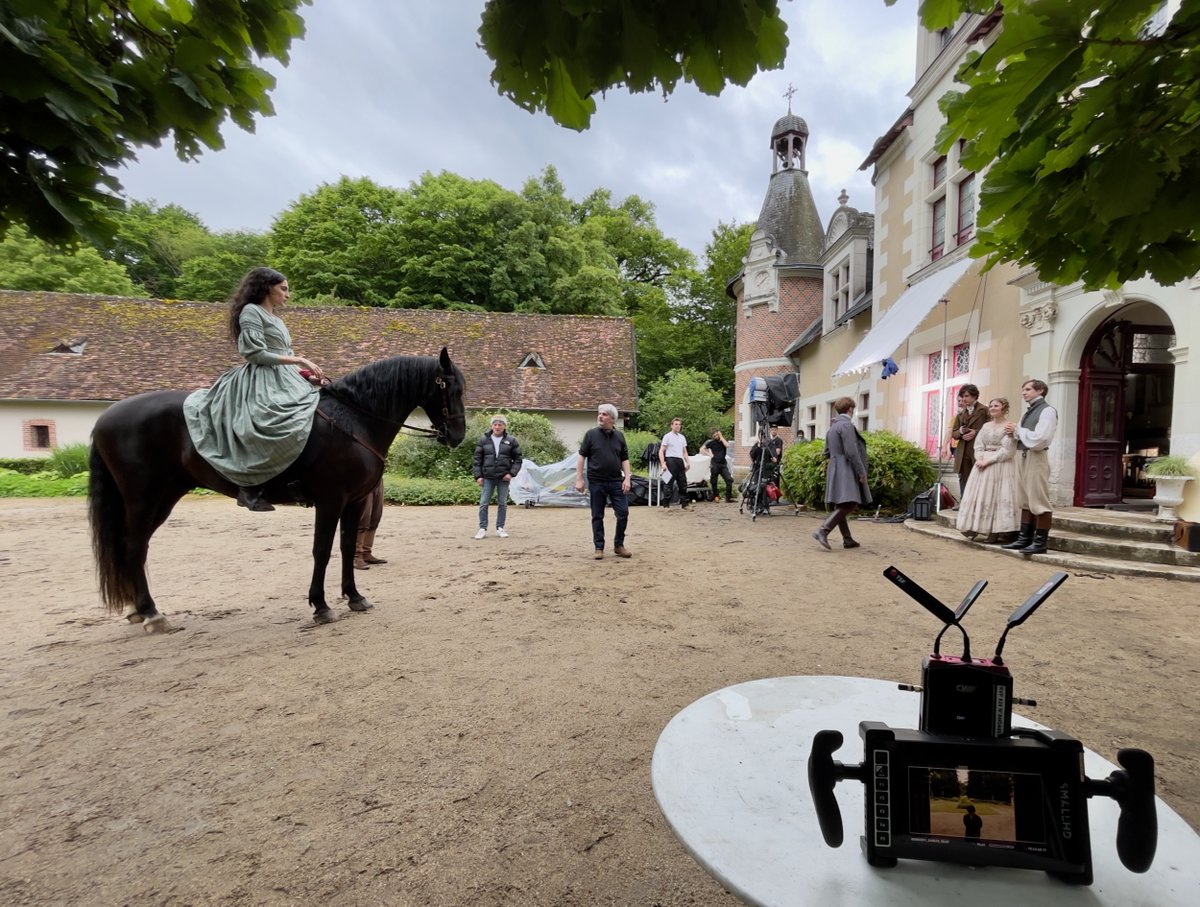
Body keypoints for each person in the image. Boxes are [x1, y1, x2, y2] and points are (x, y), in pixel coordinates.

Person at [183, 267, 324, 512]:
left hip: (285, 378)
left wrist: (306, 376)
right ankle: (248, 487)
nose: (288, 295)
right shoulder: (251, 312)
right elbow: (254, 353)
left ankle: (299, 479)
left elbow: (284, 355)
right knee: (266, 421)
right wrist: (300, 360)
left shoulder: (278, 320)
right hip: (259, 380)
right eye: (284, 289)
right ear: (267, 287)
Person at [1002, 379, 1059, 554]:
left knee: (1039, 499)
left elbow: (1041, 438)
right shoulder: (1028, 412)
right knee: (1025, 499)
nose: (1023, 392)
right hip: (1022, 455)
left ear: (1040, 390)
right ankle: (1024, 538)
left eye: (1027, 389)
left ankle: (1040, 542)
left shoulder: (1047, 411)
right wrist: (1013, 432)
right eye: (1023, 389)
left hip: (1036, 456)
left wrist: (1018, 431)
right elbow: (1021, 434)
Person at [955, 398, 1020, 543]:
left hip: (999, 464)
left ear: (1004, 408)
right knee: (980, 496)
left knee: (996, 496)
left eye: (996, 405)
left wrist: (988, 461)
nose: (992, 408)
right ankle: (974, 527)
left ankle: (994, 531)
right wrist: (979, 458)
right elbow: (978, 444)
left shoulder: (1010, 426)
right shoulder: (985, 426)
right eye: (991, 406)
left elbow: (1008, 449)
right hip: (982, 464)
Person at [575, 404, 632, 559]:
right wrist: (579, 479)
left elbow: (624, 458)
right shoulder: (591, 435)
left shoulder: (619, 436)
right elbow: (581, 457)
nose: (600, 416)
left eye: (604, 414)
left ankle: (619, 545)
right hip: (596, 482)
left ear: (612, 419)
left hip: (616, 481)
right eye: (599, 413)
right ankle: (598, 547)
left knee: (623, 513)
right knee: (597, 515)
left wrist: (627, 478)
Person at [813, 397, 871, 550]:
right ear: (850, 409)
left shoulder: (832, 427)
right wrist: (861, 471)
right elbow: (852, 451)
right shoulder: (846, 426)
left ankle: (847, 539)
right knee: (850, 503)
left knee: (840, 504)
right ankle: (823, 530)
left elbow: (826, 452)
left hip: (834, 467)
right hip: (845, 467)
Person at [472, 414, 523, 539]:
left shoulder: (511, 441)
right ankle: (482, 528)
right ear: (491, 426)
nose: (497, 426)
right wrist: (478, 476)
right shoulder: (483, 440)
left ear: (504, 426)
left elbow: (518, 459)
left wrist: (511, 473)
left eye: (500, 424)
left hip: (503, 478)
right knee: (484, 503)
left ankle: (500, 528)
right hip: (487, 477)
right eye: (495, 424)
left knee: (502, 503)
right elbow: (477, 460)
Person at [948, 384, 987, 498]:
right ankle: (964, 501)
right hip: (963, 451)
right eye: (962, 396)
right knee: (963, 477)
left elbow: (991, 429)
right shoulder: (960, 414)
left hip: (978, 450)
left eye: (967, 396)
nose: (964, 399)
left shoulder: (984, 410)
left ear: (974, 396)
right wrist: (960, 431)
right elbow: (954, 433)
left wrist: (976, 432)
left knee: (979, 476)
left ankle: (978, 502)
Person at [659, 417, 691, 509]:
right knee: (668, 483)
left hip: (679, 461)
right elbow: (661, 451)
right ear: (672, 425)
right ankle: (666, 505)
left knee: (683, 483)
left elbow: (684, 451)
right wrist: (663, 464)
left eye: (679, 424)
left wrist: (687, 462)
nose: (678, 426)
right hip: (670, 461)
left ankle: (684, 504)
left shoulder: (682, 437)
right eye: (676, 424)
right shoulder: (667, 436)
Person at [355, 481, 387, 569]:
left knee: (375, 516)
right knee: (363, 516)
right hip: (364, 477)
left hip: (377, 476)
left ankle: (366, 552)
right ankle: (356, 556)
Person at [701, 428, 735, 502]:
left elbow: (727, 445)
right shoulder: (711, 442)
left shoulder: (723, 441)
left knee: (729, 479)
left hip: (723, 464)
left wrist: (721, 437)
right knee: (714, 481)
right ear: (712, 436)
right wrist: (709, 454)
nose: (716, 436)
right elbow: (702, 449)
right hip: (715, 464)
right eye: (714, 435)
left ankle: (728, 497)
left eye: (717, 434)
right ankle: (715, 496)